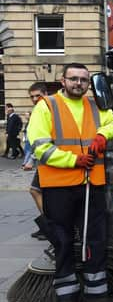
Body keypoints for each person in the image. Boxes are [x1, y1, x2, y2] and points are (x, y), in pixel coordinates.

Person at [28, 63, 113, 302]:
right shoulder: (46, 106)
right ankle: (66, 296)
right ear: (63, 80)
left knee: (95, 240)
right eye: (74, 79)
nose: (79, 83)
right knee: (63, 241)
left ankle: (96, 295)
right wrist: (74, 160)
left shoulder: (95, 106)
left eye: (83, 80)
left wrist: (103, 135)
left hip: (92, 183)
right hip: (58, 186)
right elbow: (39, 146)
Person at [23, 82, 48, 241]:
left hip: (47, 158)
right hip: (45, 158)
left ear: (44, 94)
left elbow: (42, 138)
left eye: (37, 95)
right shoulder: (40, 109)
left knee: (35, 190)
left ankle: (49, 226)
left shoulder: (46, 109)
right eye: (31, 96)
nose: (34, 99)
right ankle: (48, 226)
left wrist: (31, 160)